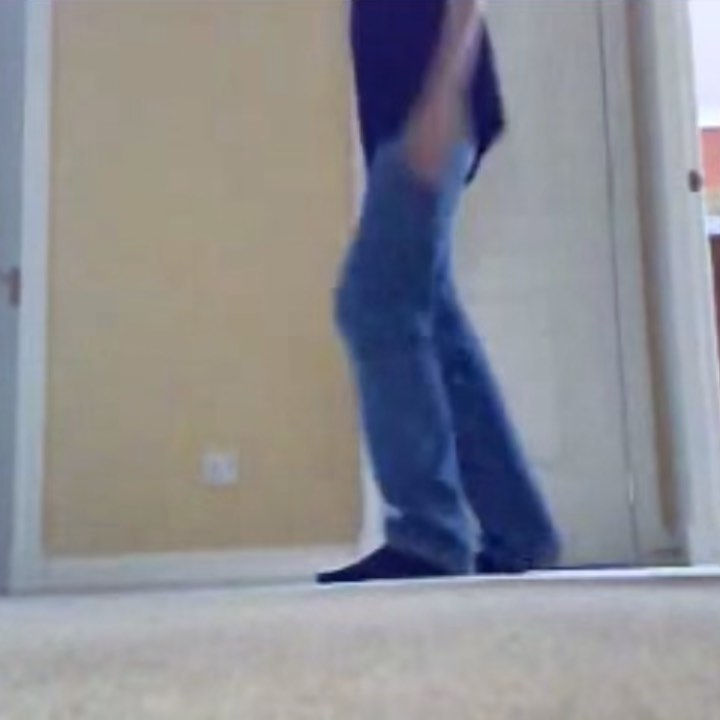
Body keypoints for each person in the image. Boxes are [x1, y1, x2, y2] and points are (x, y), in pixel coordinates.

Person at [318, 0, 560, 584]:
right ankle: (520, 530)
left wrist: (443, 96)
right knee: (433, 320)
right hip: (406, 111)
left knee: (375, 303)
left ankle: (429, 535)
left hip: (431, 104)